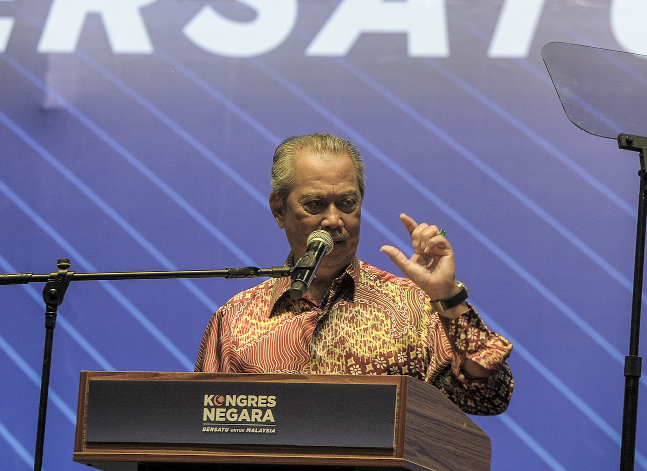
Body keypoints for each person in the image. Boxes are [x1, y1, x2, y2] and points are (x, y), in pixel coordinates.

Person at [194, 133, 512, 415]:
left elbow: (486, 398)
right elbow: (199, 428)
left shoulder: (414, 305)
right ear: (279, 210)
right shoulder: (235, 319)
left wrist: (447, 296)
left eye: (347, 203)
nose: (334, 220)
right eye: (316, 204)